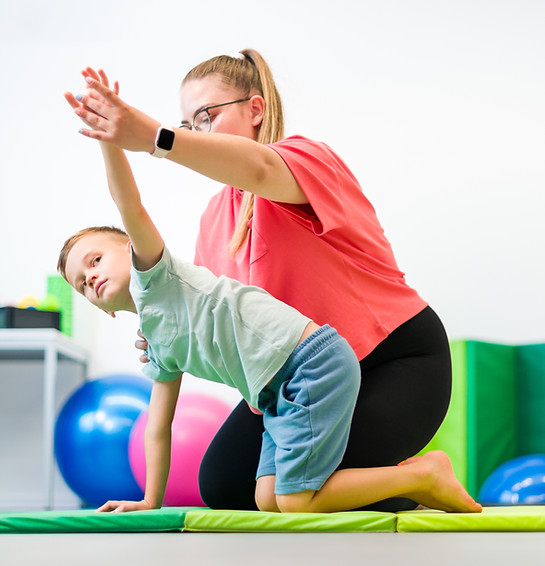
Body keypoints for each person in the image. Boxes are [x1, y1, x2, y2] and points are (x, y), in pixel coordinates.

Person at [57, 88, 481, 514]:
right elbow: (161, 420)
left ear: (254, 109)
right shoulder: (200, 246)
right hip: (283, 383)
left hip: (350, 358)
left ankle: (423, 474)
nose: (90, 277)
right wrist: (150, 500)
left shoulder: (292, 161)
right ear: (103, 309)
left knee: (295, 498)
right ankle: (410, 488)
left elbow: (130, 205)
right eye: (81, 283)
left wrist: (112, 139)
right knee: (247, 493)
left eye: (94, 260)